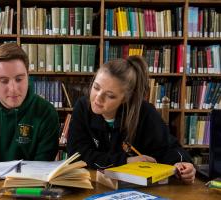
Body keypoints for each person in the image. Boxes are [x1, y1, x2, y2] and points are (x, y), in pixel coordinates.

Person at [67, 56, 196, 184]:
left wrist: (183, 164)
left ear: (125, 98)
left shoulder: (145, 113)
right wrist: (126, 161)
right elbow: (76, 156)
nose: (98, 98)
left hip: (137, 189)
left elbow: (172, 150)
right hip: (93, 185)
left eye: (110, 95)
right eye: (96, 87)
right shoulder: (83, 107)